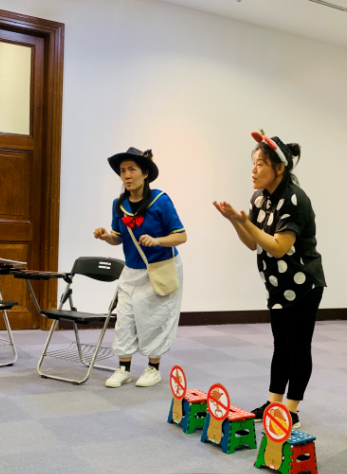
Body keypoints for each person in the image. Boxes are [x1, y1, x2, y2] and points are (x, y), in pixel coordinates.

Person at [213, 130, 326, 429]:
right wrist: (236, 222)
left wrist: (246, 223)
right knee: (280, 346)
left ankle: (291, 410)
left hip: (304, 285)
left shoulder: (295, 199)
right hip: (277, 286)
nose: (253, 170)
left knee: (298, 347)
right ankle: (273, 403)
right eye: (253, 163)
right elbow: (253, 243)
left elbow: (278, 247)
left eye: (260, 164)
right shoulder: (259, 198)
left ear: (279, 168)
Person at [94, 147, 187, 388]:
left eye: (132, 169)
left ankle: (153, 368)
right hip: (131, 271)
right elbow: (118, 236)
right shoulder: (119, 204)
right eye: (122, 170)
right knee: (124, 319)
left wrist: (157, 241)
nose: (126, 175)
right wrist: (106, 236)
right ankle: (123, 368)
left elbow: (181, 236)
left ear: (145, 173)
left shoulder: (161, 200)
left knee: (153, 320)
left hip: (160, 270)